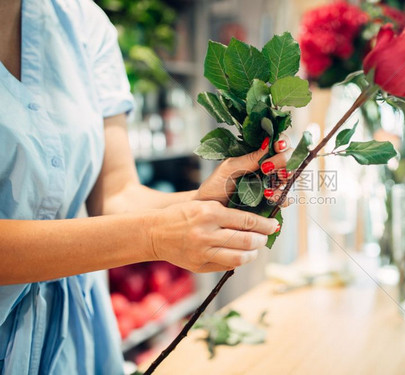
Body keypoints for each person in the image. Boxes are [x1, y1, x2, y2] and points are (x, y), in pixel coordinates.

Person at [0, 0, 293, 373]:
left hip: (73, 341)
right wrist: (154, 235)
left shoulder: (84, 24)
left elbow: (116, 194)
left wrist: (208, 200)